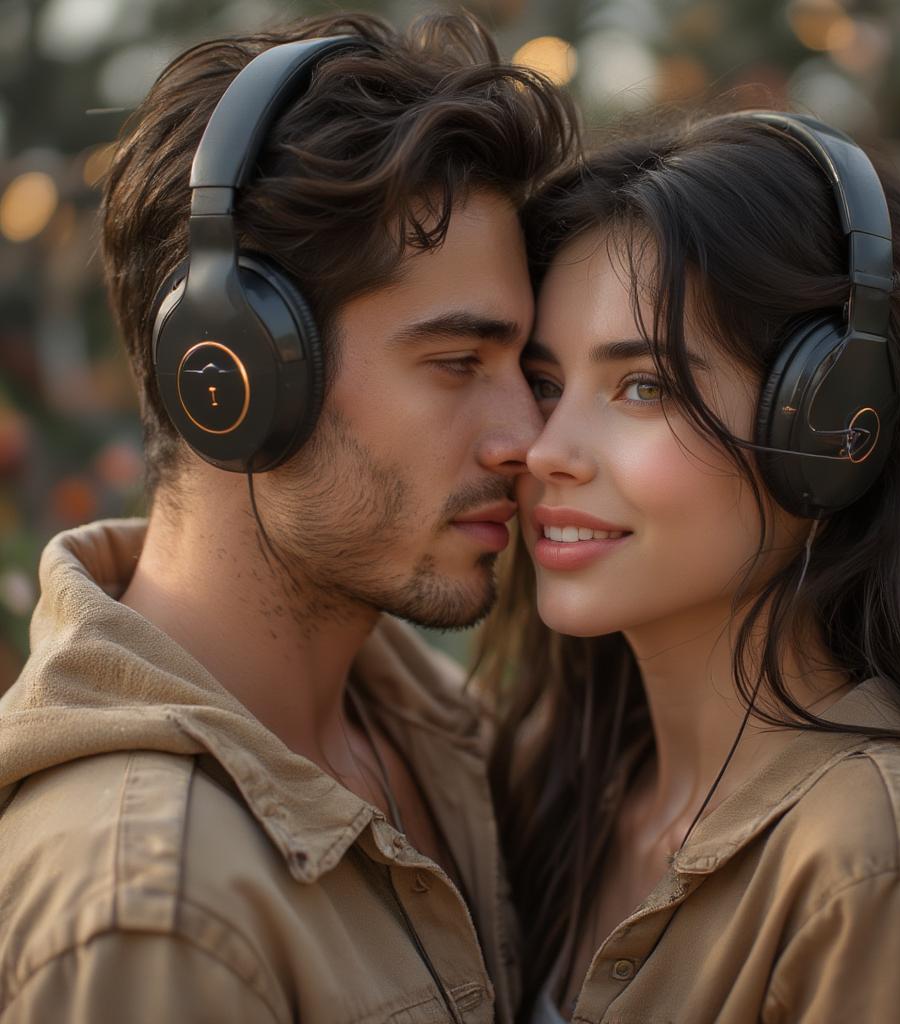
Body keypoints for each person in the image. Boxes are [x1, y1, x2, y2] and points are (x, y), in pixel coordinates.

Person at [0, 11, 576, 1023]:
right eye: (456, 364)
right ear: (228, 374)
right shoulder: (156, 906)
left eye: (523, 370)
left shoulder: (441, 737)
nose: (525, 436)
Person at [482, 110, 900, 1022]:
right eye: (544, 384)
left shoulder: (882, 863)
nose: (547, 451)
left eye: (643, 386)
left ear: (831, 431)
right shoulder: (557, 775)